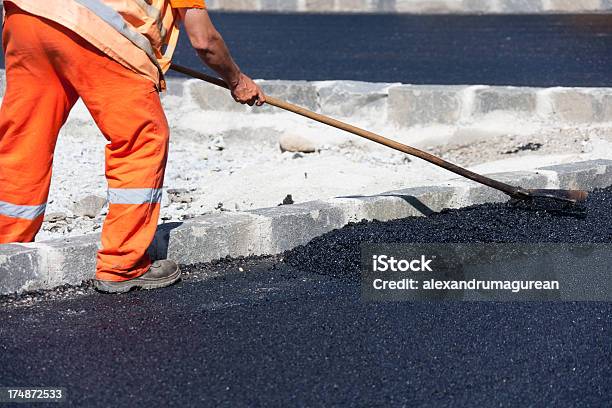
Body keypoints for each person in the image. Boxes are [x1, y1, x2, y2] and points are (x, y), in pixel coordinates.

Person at [0, 0, 265, 293]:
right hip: (99, 35)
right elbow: (204, 41)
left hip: (28, 17)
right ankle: (122, 264)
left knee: (25, 136)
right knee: (142, 139)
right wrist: (237, 81)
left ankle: (6, 248)